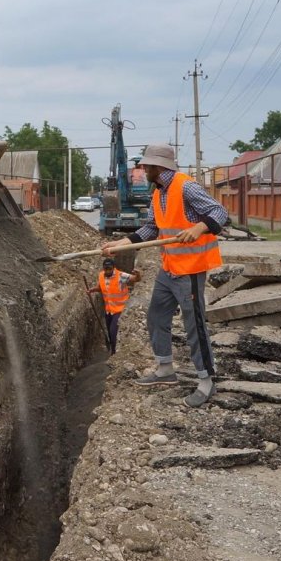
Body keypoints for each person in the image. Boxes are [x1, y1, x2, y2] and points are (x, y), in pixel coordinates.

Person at [102, 143, 228, 408]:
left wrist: (200, 227)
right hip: (168, 268)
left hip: (190, 270)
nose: (142, 169)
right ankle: (165, 369)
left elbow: (220, 212)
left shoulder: (186, 187)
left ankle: (206, 381)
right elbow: (152, 228)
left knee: (194, 325)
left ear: (159, 166)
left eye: (145, 165)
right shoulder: (158, 191)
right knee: (156, 316)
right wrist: (125, 242)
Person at [88, 256, 141, 355]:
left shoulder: (121, 275)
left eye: (109, 269)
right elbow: (101, 288)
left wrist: (138, 275)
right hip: (108, 310)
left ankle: (114, 354)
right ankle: (112, 349)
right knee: (109, 331)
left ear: (113, 268)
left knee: (113, 332)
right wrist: (93, 290)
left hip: (120, 310)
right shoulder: (101, 275)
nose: (107, 271)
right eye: (106, 269)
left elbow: (135, 279)